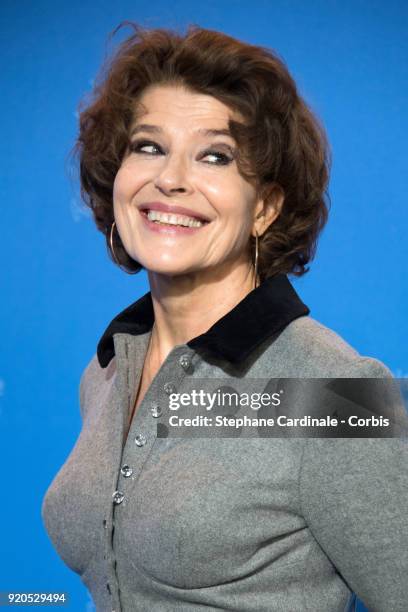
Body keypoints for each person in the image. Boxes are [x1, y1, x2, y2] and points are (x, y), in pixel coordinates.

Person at [41, 22, 408, 612]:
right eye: (149, 146)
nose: (171, 179)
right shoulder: (108, 370)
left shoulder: (339, 391)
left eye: (215, 156)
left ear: (265, 207)